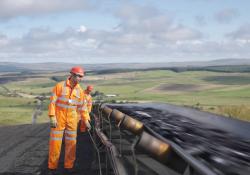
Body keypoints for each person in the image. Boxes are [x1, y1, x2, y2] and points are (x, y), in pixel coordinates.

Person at [48, 66, 91, 175]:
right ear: (72, 75)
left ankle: (69, 167)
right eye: (79, 76)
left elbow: (83, 107)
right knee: (55, 144)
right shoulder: (59, 86)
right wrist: (52, 116)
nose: (81, 79)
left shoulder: (80, 91)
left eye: (82, 77)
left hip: (72, 120)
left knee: (71, 144)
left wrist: (86, 120)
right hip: (59, 118)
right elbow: (52, 102)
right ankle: (52, 168)